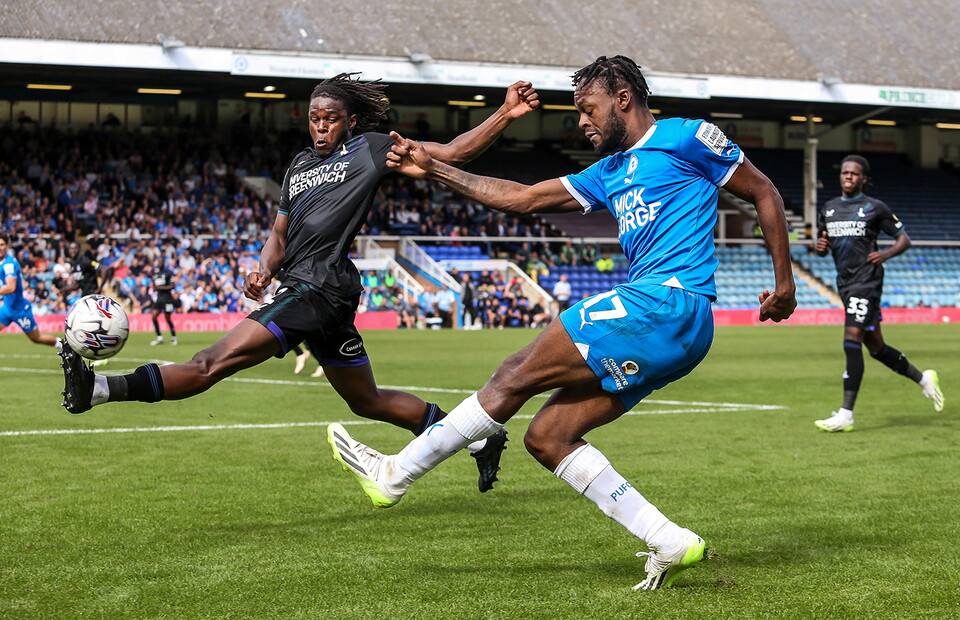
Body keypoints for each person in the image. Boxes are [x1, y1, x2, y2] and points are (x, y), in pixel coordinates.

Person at [327, 55, 797, 590]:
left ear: (623, 98)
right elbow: (523, 199)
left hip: (665, 301)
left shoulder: (689, 138)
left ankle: (396, 474)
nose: (581, 122)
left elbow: (765, 191)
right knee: (549, 436)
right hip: (676, 328)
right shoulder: (609, 171)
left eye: (587, 109)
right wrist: (437, 169)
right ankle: (666, 538)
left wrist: (784, 286)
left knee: (514, 373)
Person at [59, 73, 541, 493]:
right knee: (366, 400)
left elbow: (452, 153)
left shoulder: (370, 149)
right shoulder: (298, 167)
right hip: (307, 289)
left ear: (350, 121)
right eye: (314, 118)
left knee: (210, 362)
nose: (321, 126)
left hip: (318, 289)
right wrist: (264, 267)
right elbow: (278, 234)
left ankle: (99, 388)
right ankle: (478, 435)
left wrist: (505, 113)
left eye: (330, 117)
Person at [813, 155, 943, 432]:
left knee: (851, 339)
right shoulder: (829, 208)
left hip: (867, 282)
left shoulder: (875, 208)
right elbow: (822, 246)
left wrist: (885, 254)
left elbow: (904, 239)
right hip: (845, 284)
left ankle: (846, 414)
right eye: (845, 172)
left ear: (864, 179)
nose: (848, 176)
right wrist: (820, 247)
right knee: (876, 348)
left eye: (854, 173)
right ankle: (924, 379)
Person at [0, 233, 59, 347]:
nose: (0, 248)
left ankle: (65, 345)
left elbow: (11, 288)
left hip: (20, 309)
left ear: (7, 246)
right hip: (7, 308)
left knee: (37, 338)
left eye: (2, 245)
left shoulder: (9, 264)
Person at [148, 258, 179, 346]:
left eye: (161, 262)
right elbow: (155, 286)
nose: (159, 263)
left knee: (168, 318)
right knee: (154, 317)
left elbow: (172, 285)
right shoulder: (156, 274)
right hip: (159, 299)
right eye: (158, 262)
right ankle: (159, 337)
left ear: (163, 263)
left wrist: (161, 288)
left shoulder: (168, 273)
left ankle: (174, 337)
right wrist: (154, 287)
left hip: (168, 299)